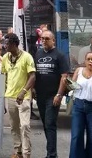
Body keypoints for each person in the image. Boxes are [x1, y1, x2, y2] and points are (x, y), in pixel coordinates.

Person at [34, 30, 70, 158]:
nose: (44, 41)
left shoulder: (60, 55)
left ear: (53, 40)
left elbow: (64, 76)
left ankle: (52, 154)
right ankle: (50, 151)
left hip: (53, 96)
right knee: (45, 124)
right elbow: (34, 74)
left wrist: (59, 95)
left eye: (47, 39)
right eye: (42, 38)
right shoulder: (38, 53)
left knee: (50, 124)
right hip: (40, 95)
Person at [1, 33, 36, 158]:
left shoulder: (27, 57)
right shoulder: (5, 58)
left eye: (7, 43)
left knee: (25, 126)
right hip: (9, 96)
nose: (5, 46)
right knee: (14, 127)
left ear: (14, 44)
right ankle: (18, 152)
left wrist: (24, 91)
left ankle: (26, 154)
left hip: (24, 98)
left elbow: (32, 76)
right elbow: (3, 77)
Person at [69, 52, 92, 158]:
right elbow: (73, 87)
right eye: (88, 59)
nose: (90, 61)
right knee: (76, 135)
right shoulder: (79, 70)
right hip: (79, 105)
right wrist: (68, 82)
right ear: (84, 61)